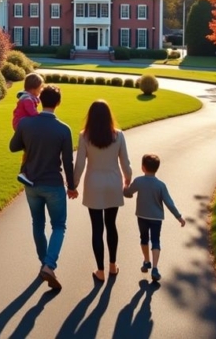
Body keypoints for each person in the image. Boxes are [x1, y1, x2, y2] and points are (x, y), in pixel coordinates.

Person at [9, 84, 78, 291]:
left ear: (41, 100)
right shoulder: (63, 129)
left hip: (31, 184)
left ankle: (44, 263)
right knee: (58, 226)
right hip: (53, 184)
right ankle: (49, 265)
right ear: (57, 103)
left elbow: (13, 147)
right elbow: (67, 162)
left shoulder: (27, 124)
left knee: (37, 224)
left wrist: (30, 141)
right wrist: (72, 186)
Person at [73, 99, 132, 281]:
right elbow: (125, 163)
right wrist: (127, 179)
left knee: (97, 228)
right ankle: (113, 265)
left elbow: (80, 164)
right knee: (111, 225)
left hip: (93, 185)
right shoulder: (118, 135)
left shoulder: (84, 136)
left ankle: (100, 271)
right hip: (113, 183)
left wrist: (73, 185)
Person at [123, 154, 185, 282]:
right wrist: (178, 217)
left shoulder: (139, 181)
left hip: (142, 215)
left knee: (144, 238)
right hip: (156, 217)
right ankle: (155, 268)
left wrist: (124, 187)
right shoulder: (160, 185)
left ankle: (146, 261)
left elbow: (128, 193)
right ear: (157, 168)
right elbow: (169, 203)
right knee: (156, 240)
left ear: (143, 167)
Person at [12, 73, 45, 187]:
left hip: (23, 124)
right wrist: (44, 117)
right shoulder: (27, 100)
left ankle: (26, 171)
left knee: (29, 149)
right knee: (29, 149)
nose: (41, 90)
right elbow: (33, 113)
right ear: (34, 88)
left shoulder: (28, 97)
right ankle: (24, 172)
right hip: (22, 125)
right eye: (40, 88)